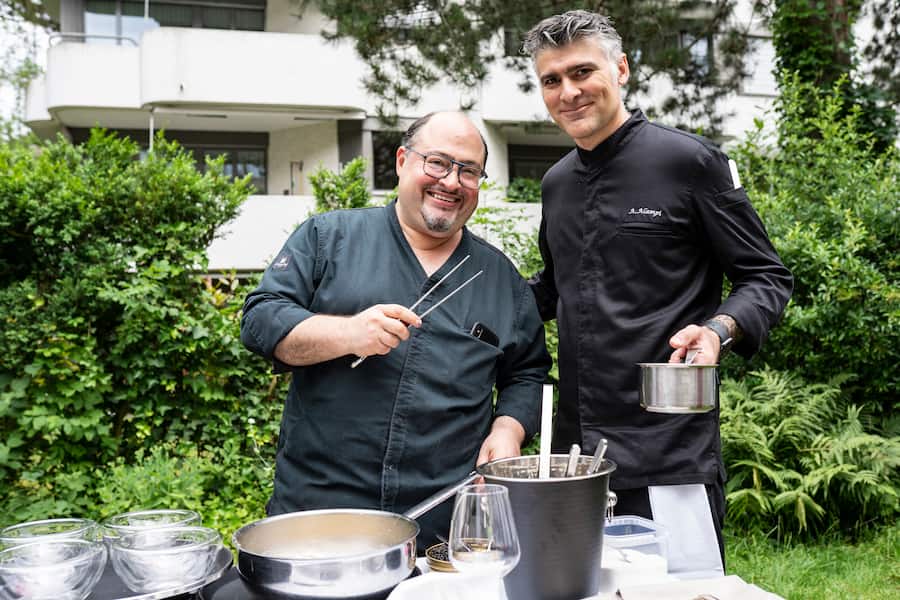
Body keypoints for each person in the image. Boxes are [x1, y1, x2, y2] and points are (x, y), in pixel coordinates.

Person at [523, 11, 793, 574]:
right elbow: (553, 289)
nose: (568, 92)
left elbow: (766, 276)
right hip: (576, 453)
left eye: (581, 72)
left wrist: (720, 329)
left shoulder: (690, 162)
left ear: (620, 69)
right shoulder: (555, 184)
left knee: (684, 590)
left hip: (669, 444)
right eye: (551, 79)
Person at [240, 111, 551, 549]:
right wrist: (348, 333)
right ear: (402, 160)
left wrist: (508, 429)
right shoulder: (329, 239)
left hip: (446, 521)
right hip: (321, 514)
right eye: (438, 162)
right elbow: (259, 321)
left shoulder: (499, 279)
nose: (451, 181)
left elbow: (528, 373)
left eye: (469, 171)